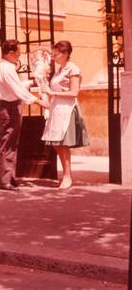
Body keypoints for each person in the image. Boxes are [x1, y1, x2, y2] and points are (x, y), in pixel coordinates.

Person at [0, 39, 48, 191]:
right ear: (10, 52)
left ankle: (9, 176)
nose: (19, 54)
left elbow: (15, 87)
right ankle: (4, 180)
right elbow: (17, 90)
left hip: (9, 105)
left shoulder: (4, 67)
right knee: (8, 142)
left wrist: (32, 82)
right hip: (8, 107)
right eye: (18, 52)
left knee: (11, 143)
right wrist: (38, 101)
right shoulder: (6, 68)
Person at [41, 41, 89, 189]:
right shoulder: (59, 70)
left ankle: (67, 176)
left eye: (56, 54)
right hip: (57, 109)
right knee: (57, 144)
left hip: (67, 110)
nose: (54, 57)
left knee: (63, 144)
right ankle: (66, 175)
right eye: (53, 54)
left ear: (66, 53)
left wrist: (53, 93)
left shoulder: (72, 69)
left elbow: (74, 92)